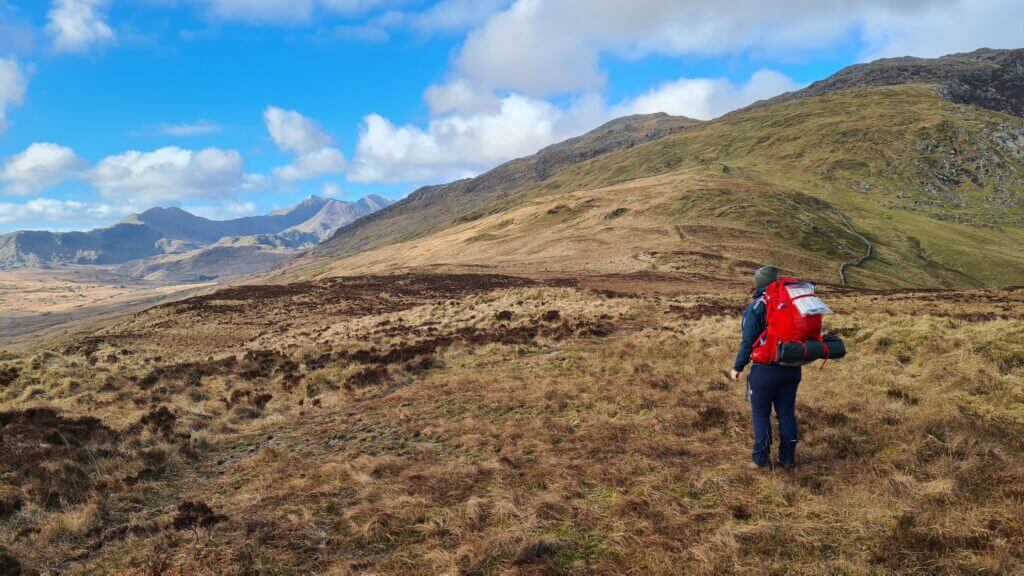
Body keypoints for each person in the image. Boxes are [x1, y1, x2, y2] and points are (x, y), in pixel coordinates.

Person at [730, 265, 801, 470]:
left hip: (765, 369)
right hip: (791, 366)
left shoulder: (758, 306)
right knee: (786, 413)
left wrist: (737, 367)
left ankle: (761, 460)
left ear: (758, 283)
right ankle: (787, 458)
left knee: (761, 414)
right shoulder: (792, 304)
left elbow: (748, 341)